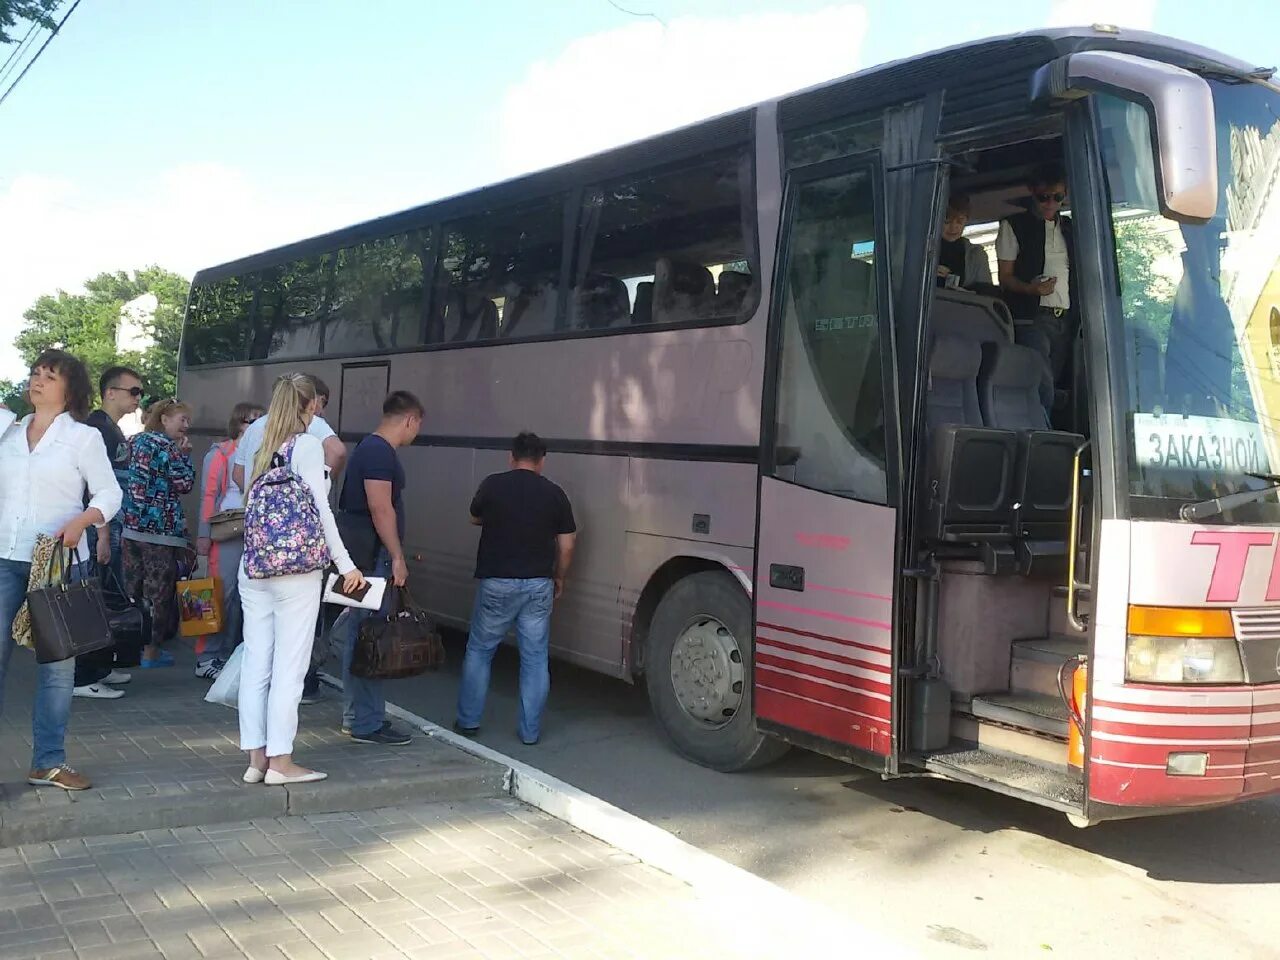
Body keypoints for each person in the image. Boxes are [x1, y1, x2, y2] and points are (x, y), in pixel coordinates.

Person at [0, 350, 122, 791]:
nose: (37, 381)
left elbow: (110, 494)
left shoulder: (83, 438)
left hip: (58, 565)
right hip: (5, 559)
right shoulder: (8, 433)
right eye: (34, 373)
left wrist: (82, 522)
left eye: (49, 376)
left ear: (69, 388)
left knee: (56, 667)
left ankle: (47, 762)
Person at [238, 373, 365, 785]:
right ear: (311, 406)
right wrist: (346, 565)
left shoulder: (260, 445)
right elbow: (322, 511)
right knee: (289, 668)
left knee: (257, 663)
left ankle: (256, 759)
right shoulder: (307, 447)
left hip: (254, 566)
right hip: (295, 570)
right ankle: (282, 762)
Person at [456, 432, 577, 746]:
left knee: (481, 651)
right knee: (535, 659)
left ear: (512, 457)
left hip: (497, 582)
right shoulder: (555, 494)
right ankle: (530, 731)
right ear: (542, 461)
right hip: (538, 583)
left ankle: (469, 721)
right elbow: (567, 544)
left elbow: (473, 516)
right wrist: (559, 577)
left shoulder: (493, 485)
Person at [335, 391, 424, 745]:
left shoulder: (371, 449)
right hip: (372, 557)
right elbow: (380, 507)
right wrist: (397, 556)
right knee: (367, 637)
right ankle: (363, 721)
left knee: (363, 634)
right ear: (410, 420)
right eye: (418, 425)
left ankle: (364, 715)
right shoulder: (378, 453)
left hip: (365, 553)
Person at [73, 365, 144, 698]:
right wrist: (101, 532)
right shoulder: (97, 429)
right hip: (101, 528)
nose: (138, 399)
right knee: (95, 597)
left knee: (107, 596)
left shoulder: (109, 429)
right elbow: (91, 486)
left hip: (111, 526)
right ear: (110, 392)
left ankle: (100, 664)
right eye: (134, 391)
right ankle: (84, 674)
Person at [121, 398, 195, 668]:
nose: (186, 426)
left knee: (132, 588)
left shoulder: (135, 442)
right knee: (158, 592)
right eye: (182, 420)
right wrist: (185, 457)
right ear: (164, 419)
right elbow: (184, 484)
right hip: (161, 531)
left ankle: (127, 648)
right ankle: (151, 652)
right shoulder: (168, 447)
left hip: (131, 527)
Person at [193, 400, 263, 680]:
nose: (254, 425)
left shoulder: (261, 452)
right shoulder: (219, 454)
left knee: (241, 597)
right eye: (249, 420)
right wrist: (202, 536)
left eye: (259, 419)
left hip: (252, 529)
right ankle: (205, 657)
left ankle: (227, 654)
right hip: (225, 529)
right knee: (215, 593)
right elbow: (208, 496)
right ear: (237, 423)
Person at [996, 162, 1076, 387]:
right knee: (1040, 384)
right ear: (1032, 192)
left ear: (1066, 194)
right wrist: (1031, 289)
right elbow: (1005, 277)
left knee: (1060, 382)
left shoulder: (1071, 228)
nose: (1051, 203)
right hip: (1031, 319)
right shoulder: (1014, 226)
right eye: (1044, 197)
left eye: (1058, 197)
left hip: (1066, 319)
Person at [936, 193, 993, 293]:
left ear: (966, 221)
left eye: (959, 221)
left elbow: (987, 292)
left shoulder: (976, 254)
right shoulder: (922, 249)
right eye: (947, 221)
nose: (953, 227)